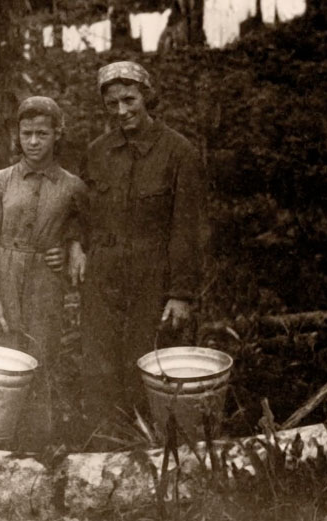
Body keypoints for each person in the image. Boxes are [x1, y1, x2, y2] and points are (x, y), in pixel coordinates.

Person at [79, 61, 205, 435]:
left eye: (129, 99)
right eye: (112, 103)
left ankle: (151, 449)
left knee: (148, 363)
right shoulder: (97, 152)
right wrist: (75, 245)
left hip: (153, 276)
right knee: (99, 367)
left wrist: (181, 294)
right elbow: (79, 210)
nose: (122, 111)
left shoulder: (179, 153)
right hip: (103, 276)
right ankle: (103, 449)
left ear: (147, 96)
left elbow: (190, 229)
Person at [0, 96, 87, 449]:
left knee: (39, 361)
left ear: (57, 135)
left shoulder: (72, 186)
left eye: (42, 133)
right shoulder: (1, 182)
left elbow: (89, 230)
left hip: (44, 285)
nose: (33, 141)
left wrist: (72, 245)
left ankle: (36, 450)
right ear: (17, 135)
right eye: (27, 133)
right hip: (4, 278)